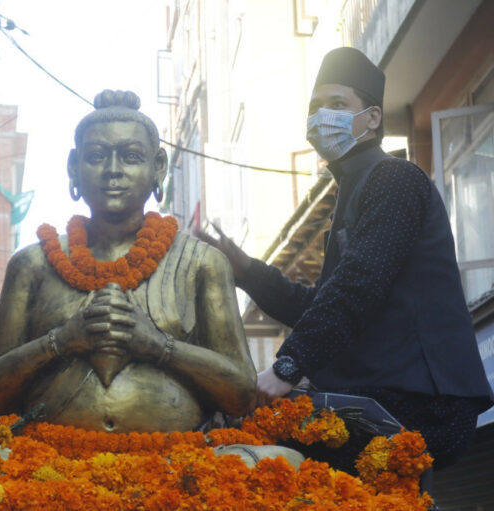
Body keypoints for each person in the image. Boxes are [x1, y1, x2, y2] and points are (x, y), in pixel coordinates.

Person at [198, 47, 494, 471]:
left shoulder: (395, 179)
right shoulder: (352, 192)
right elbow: (319, 304)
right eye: (316, 106)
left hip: (421, 401)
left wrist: (286, 367)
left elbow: (358, 283)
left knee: (251, 444)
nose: (323, 116)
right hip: (381, 394)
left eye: (338, 104)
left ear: (372, 118)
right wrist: (245, 270)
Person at [0, 90, 257, 433]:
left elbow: (243, 394)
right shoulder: (33, 264)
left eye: (131, 156)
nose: (113, 171)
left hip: (181, 458)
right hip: (43, 457)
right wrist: (62, 341)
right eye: (96, 156)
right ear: (73, 167)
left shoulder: (202, 262)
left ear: (158, 166)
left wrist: (159, 347)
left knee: (282, 459)